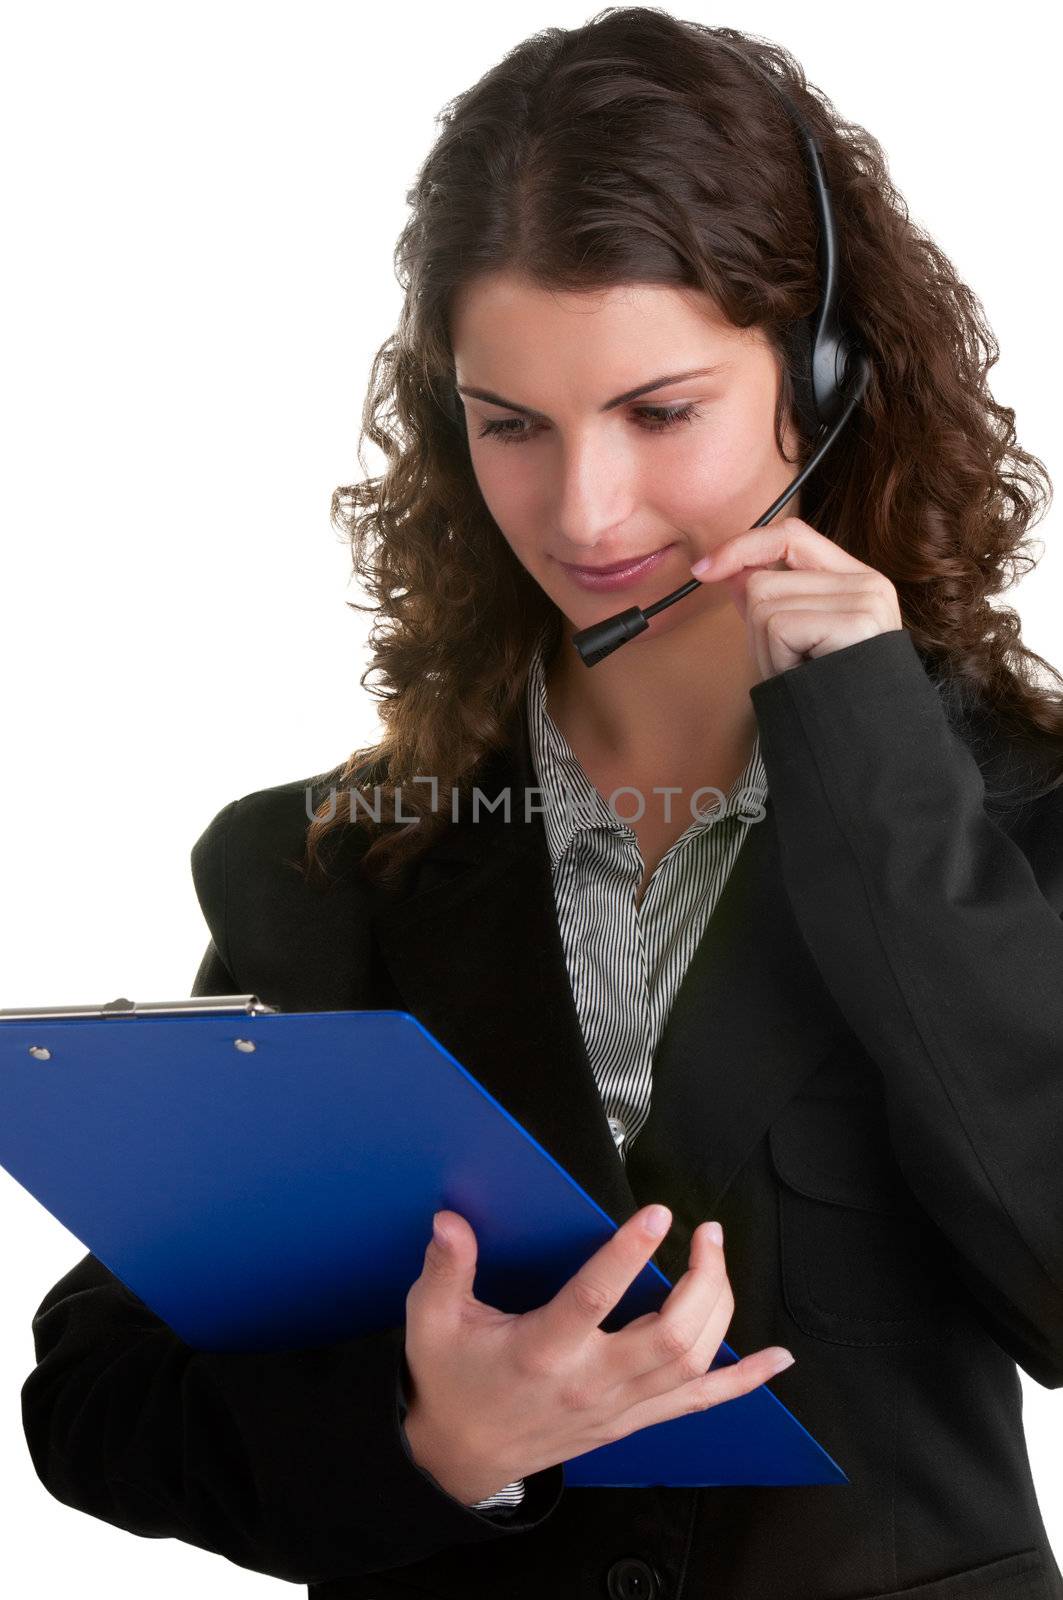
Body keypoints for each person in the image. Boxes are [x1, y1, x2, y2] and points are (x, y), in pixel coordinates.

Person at [20, 8, 1063, 1599]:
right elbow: (93, 1404)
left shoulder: (1021, 812)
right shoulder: (332, 863)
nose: (582, 513)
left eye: (659, 413)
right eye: (511, 423)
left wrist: (872, 758)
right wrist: (434, 1437)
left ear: (829, 376)